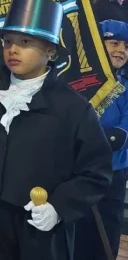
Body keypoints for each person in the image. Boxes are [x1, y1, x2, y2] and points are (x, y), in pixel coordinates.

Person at [0, 0, 112, 260]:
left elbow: (96, 172)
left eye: (25, 42)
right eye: (7, 41)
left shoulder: (73, 108)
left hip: (41, 226)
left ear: (51, 51)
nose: (13, 49)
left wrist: (59, 207)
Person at [74, 19, 128, 259]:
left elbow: (121, 135)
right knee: (76, 232)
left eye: (126, 46)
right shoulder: (74, 84)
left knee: (106, 234)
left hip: (112, 172)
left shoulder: (125, 86)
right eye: (113, 42)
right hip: (75, 173)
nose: (121, 50)